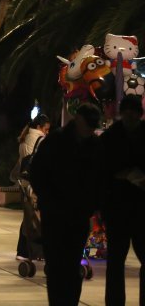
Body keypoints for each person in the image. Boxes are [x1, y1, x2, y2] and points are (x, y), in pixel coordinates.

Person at [30, 103, 104, 306]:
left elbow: (99, 178)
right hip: (55, 215)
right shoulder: (56, 140)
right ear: (77, 119)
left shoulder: (94, 145)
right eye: (88, 124)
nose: (90, 129)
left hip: (78, 215)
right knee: (55, 266)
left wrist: (93, 205)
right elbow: (37, 172)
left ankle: (69, 301)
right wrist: (47, 200)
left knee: (71, 266)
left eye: (93, 126)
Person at [101, 95, 145, 306]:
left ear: (139, 114)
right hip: (117, 208)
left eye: (133, 111)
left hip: (141, 209)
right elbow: (101, 170)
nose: (129, 115)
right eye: (126, 111)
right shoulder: (111, 137)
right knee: (116, 262)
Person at [12, 113, 51, 261]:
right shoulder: (40, 139)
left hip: (25, 182)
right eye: (46, 129)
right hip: (36, 183)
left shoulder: (24, 138)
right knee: (38, 219)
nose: (47, 132)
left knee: (29, 218)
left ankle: (24, 251)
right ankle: (36, 252)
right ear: (39, 127)